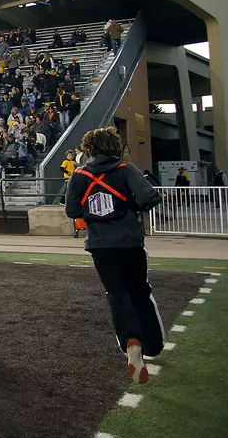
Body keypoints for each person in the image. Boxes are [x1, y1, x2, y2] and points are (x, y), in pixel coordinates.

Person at [64, 126, 164, 384]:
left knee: (117, 294)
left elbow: (72, 210)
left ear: (89, 148)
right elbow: (148, 198)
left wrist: (94, 211)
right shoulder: (125, 169)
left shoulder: (79, 175)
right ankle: (151, 345)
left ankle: (130, 341)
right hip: (130, 241)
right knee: (140, 291)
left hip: (99, 244)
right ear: (114, 145)